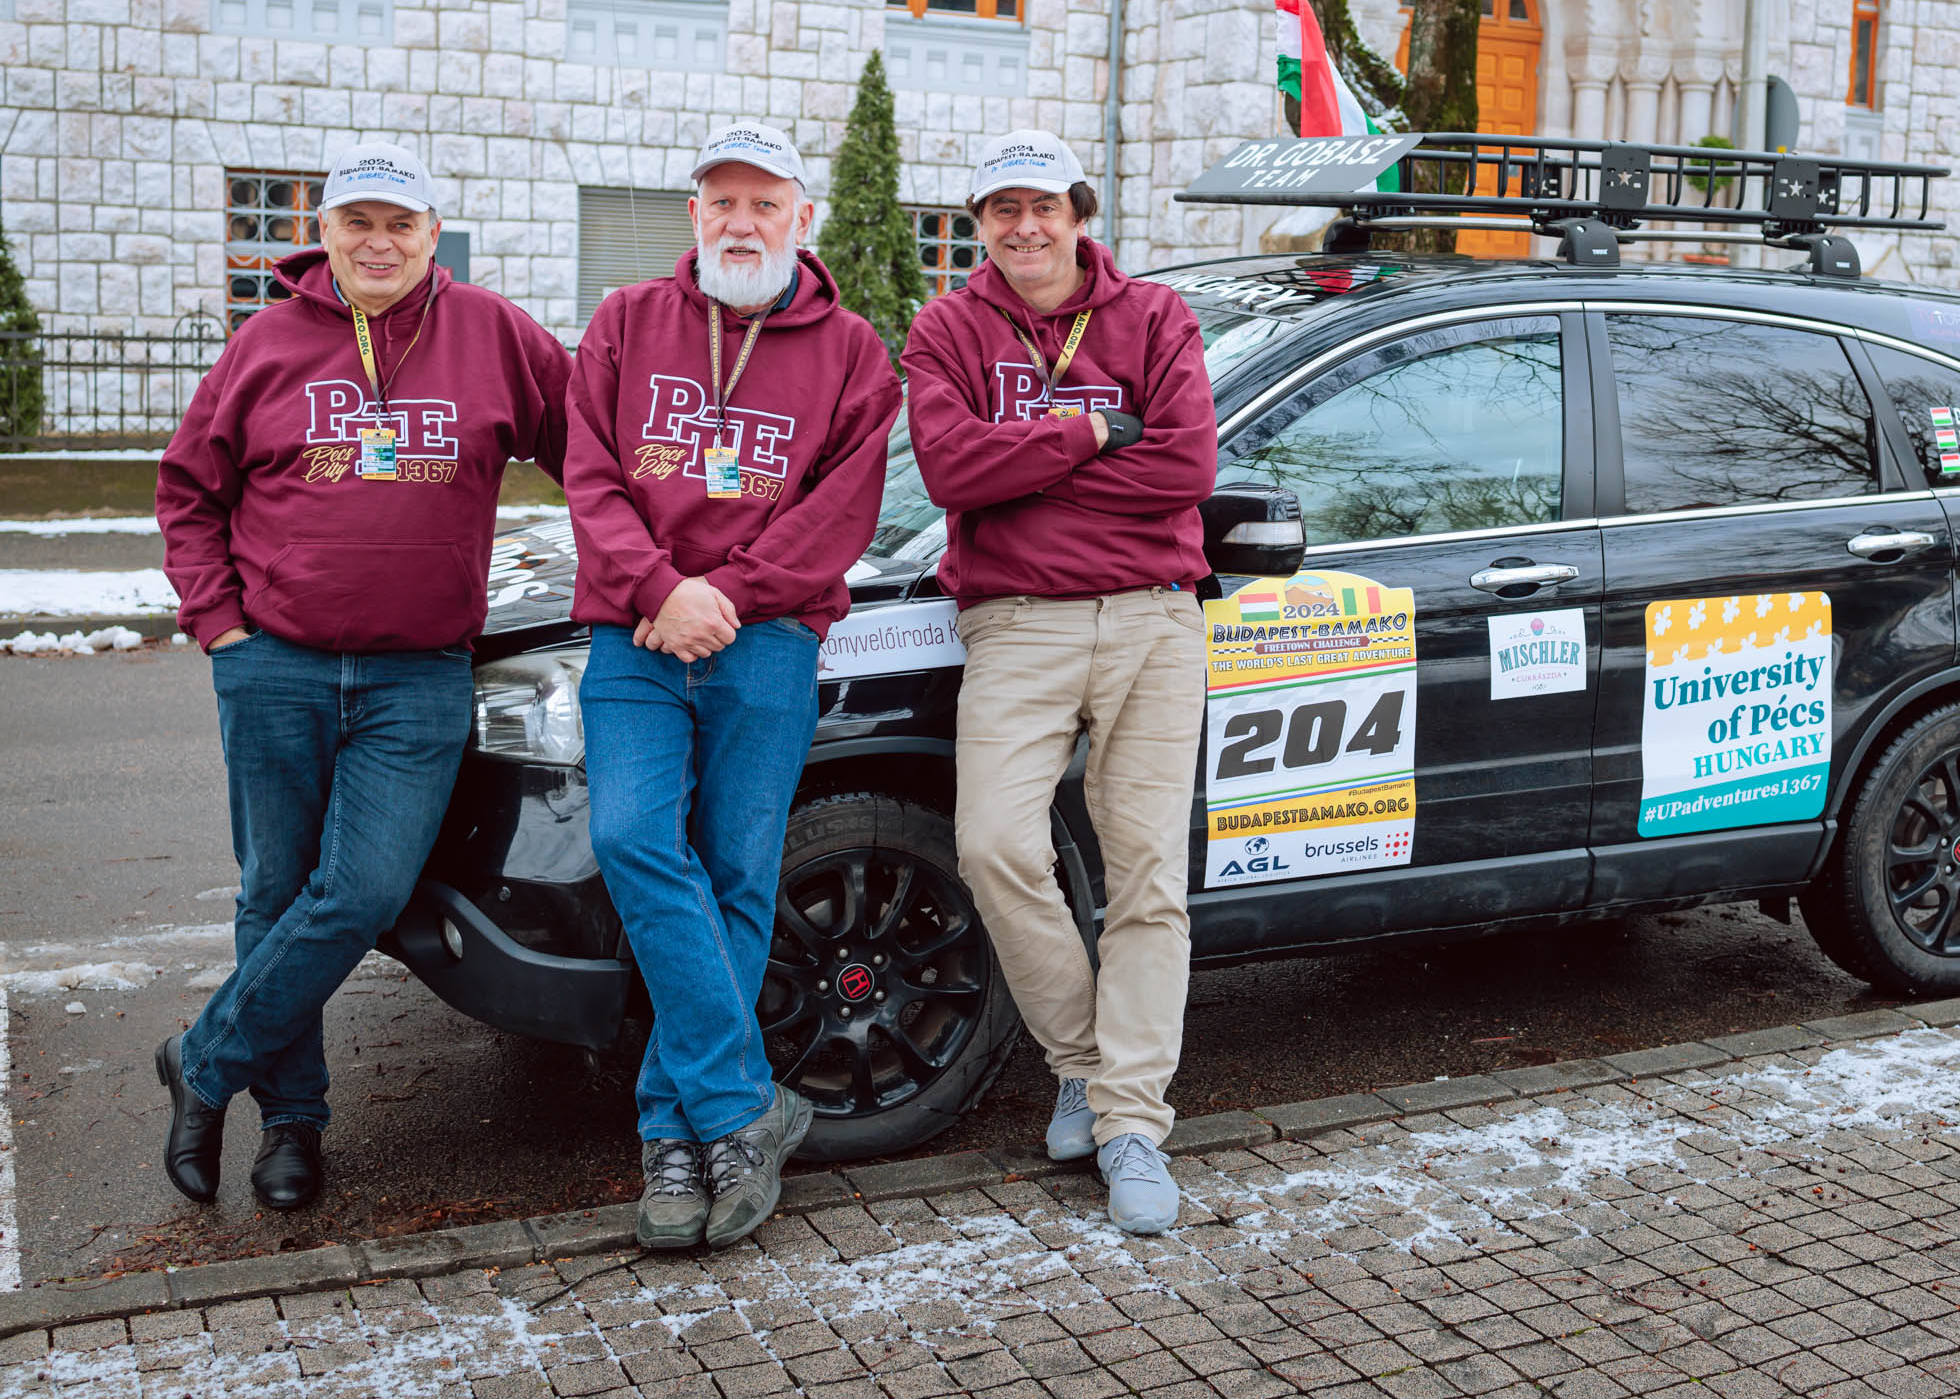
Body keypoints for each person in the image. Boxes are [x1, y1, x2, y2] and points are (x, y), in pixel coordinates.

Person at [154, 141, 570, 1210]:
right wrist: (219, 625)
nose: (378, 243)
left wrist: (679, 554)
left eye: (400, 224)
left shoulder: (494, 335)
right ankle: (291, 1125)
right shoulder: (267, 342)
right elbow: (188, 491)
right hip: (276, 665)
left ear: (435, 233)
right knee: (275, 894)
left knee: (368, 889)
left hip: (417, 675)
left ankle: (203, 1064)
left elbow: (593, 456)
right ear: (324, 232)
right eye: (357, 223)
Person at [565, 122, 900, 1251]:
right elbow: (592, 477)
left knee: (740, 871)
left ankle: (676, 1130)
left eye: (765, 204)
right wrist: (662, 587)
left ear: (802, 219)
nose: (742, 222)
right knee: (631, 840)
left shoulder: (854, 350)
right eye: (722, 203)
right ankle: (743, 1103)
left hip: (766, 638)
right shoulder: (624, 323)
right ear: (694, 216)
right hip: (636, 631)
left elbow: (838, 514)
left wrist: (729, 596)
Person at [901, 130, 1215, 1235]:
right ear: (979, 223)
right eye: (1001, 210)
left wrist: (1022, 465)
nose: (1023, 228)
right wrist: (1086, 427)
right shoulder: (946, 327)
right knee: (992, 845)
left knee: (1145, 877)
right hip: (1016, 623)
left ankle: (1130, 1117)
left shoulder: (1156, 318)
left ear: (1079, 211)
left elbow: (1185, 466)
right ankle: (1080, 1061)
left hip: (1153, 621)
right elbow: (949, 470)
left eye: (1043, 206)